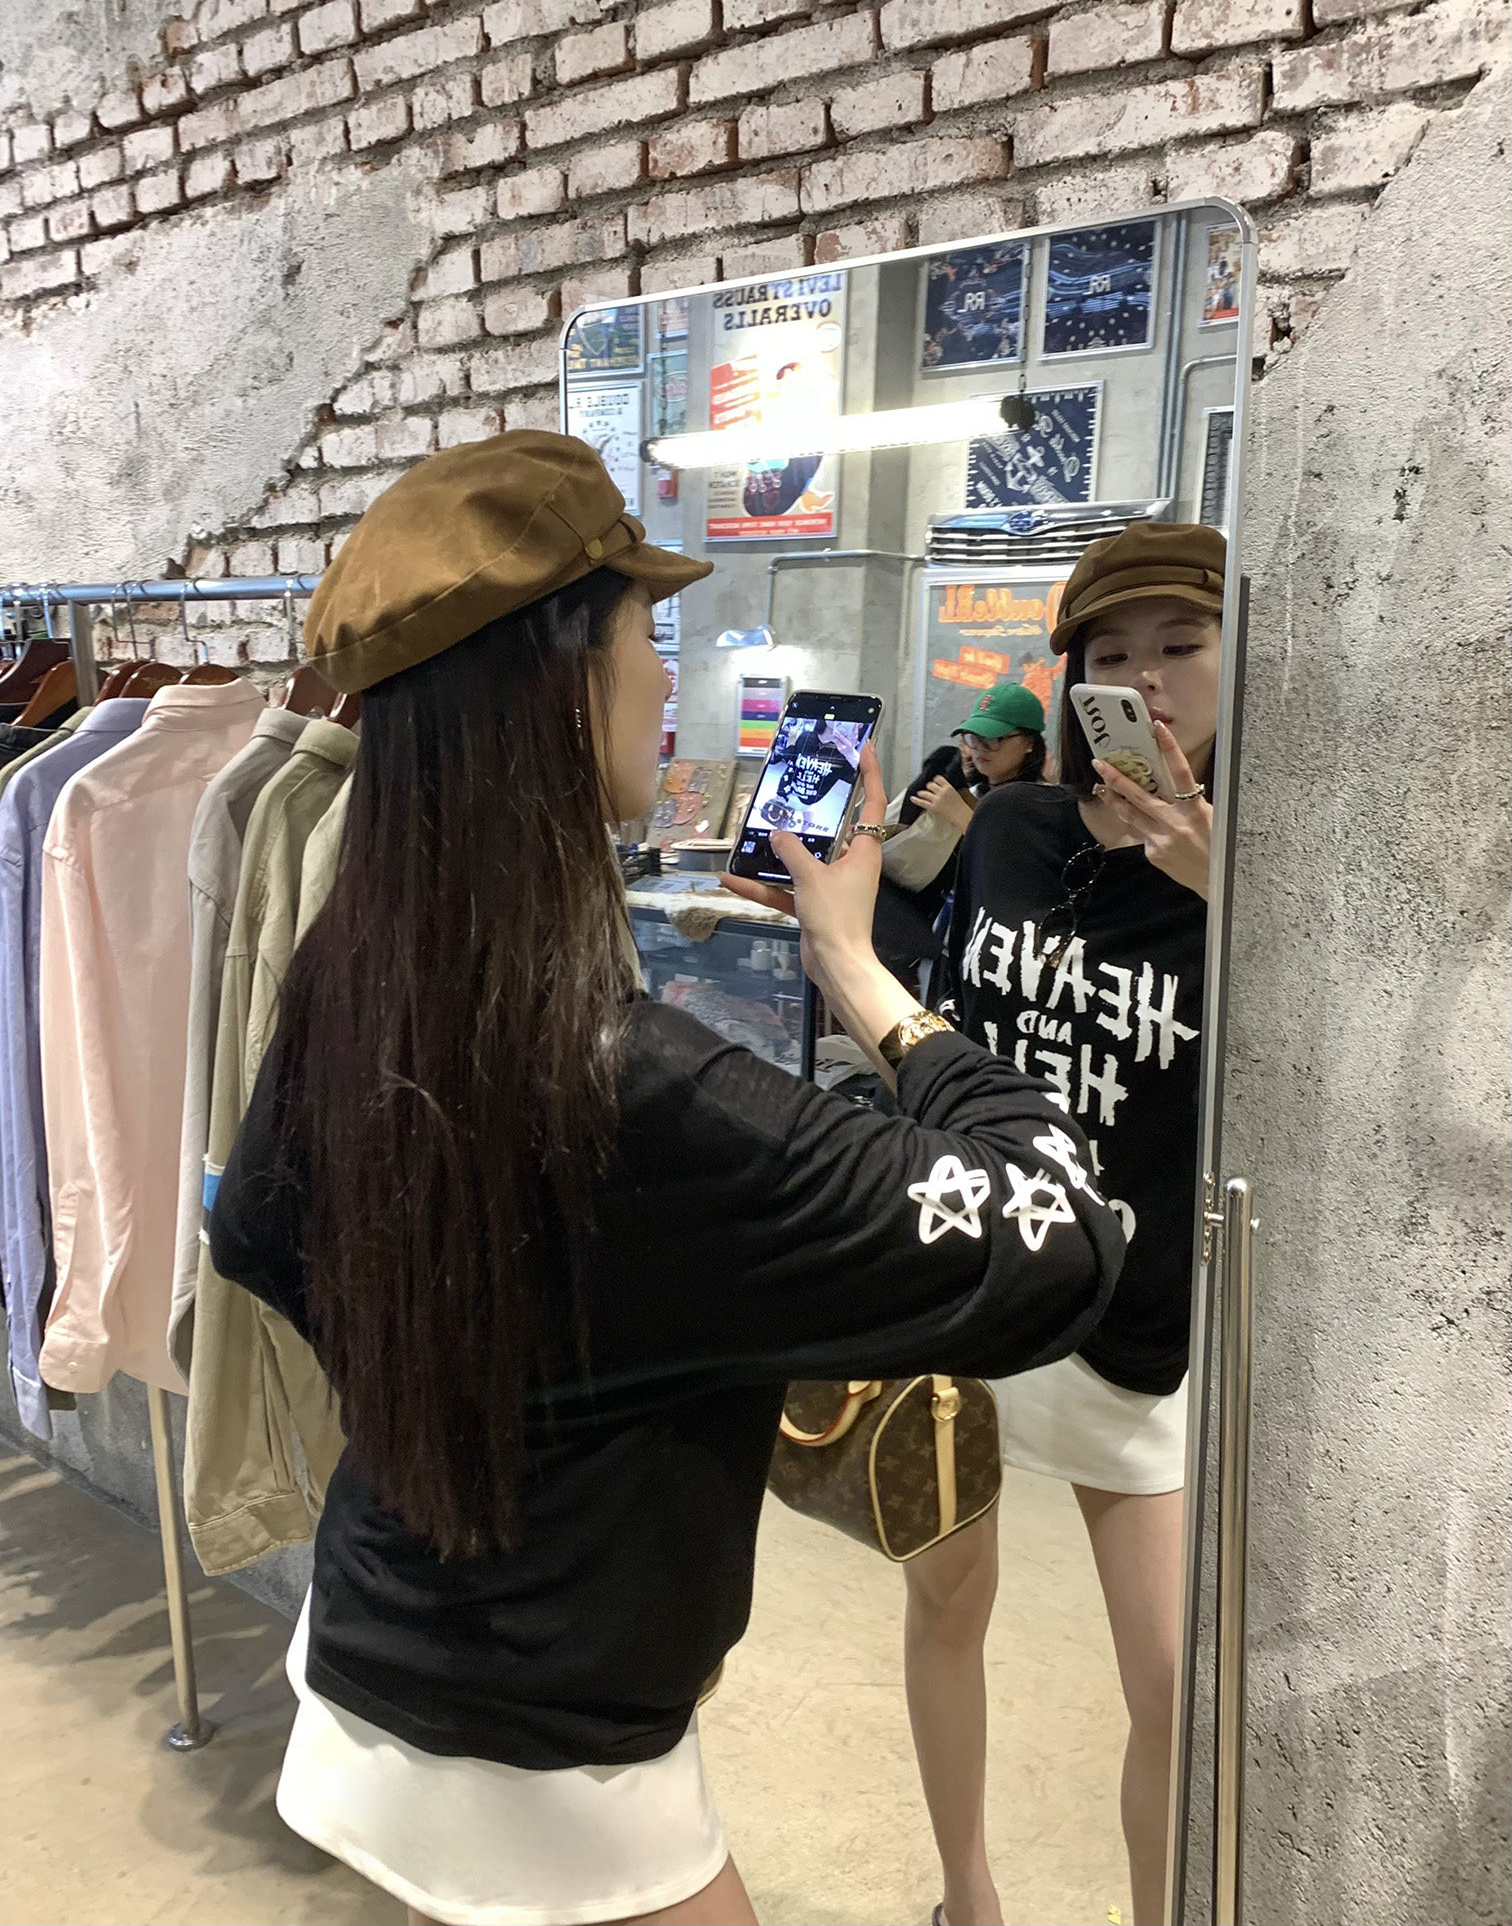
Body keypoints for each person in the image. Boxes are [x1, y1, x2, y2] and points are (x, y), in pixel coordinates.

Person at [208, 431, 1127, 1926]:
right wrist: (860, 973)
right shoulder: (645, 1093)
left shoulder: (358, 979)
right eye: (646, 632)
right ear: (567, 677)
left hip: (367, 1680)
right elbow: (1062, 1227)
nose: (660, 677)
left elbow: (253, 1228)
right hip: (558, 1769)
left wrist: (510, 1367)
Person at [904, 521, 1223, 1926]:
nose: (1145, 680)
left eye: (1181, 645)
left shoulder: (1257, 872)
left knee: (1169, 1685)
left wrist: (1224, 891)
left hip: (1138, 1312)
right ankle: (966, 1894)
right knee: (944, 1600)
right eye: (1110, 654)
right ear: (1070, 678)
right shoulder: (1013, 829)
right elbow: (953, 1028)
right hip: (979, 1276)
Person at [872, 684, 1046, 995]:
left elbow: (1022, 874)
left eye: (994, 739)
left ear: (1029, 743)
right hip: (946, 936)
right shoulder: (970, 791)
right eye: (972, 737)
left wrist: (961, 817)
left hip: (998, 950)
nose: (979, 749)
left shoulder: (1042, 802)